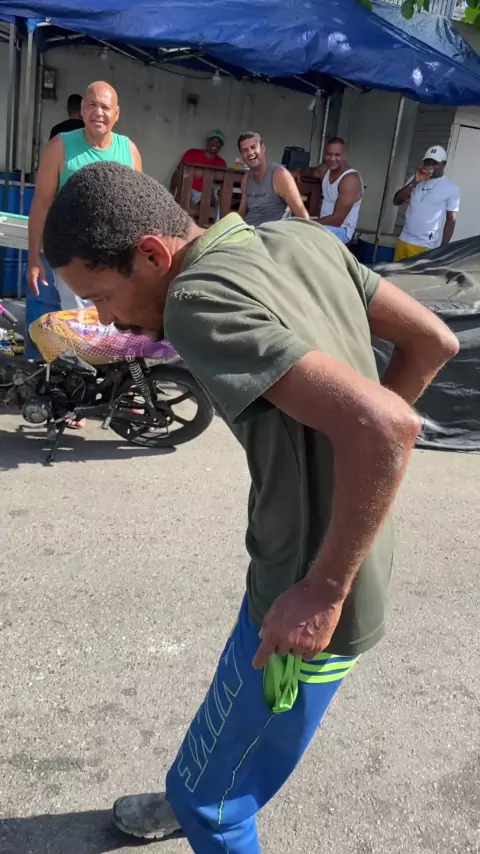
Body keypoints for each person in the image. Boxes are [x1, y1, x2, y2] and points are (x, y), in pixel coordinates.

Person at [43, 162, 459, 853]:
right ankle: (201, 779)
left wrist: (324, 588)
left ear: (152, 255)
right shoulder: (303, 238)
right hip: (320, 560)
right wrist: (346, 460)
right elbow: (433, 342)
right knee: (230, 726)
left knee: (213, 808)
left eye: (102, 296)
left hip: (307, 590)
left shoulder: (194, 302)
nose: (106, 318)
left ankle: (201, 795)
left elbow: (387, 428)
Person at [27, 81, 142, 312]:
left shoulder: (129, 151)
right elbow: (41, 204)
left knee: (111, 327)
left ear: (116, 114)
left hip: (115, 263)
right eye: (91, 105)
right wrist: (33, 258)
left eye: (105, 107)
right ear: (81, 109)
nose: (98, 112)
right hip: (72, 260)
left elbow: (137, 211)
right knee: (77, 325)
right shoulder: (59, 147)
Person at [393, 145, 460, 262]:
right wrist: (414, 182)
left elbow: (451, 219)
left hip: (425, 245)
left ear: (443, 164)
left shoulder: (451, 188)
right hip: (404, 239)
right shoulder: (416, 179)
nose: (430, 166)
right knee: (394, 272)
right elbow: (396, 201)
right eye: (427, 162)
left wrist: (443, 247)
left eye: (434, 163)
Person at [238, 131, 309, 225]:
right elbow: (242, 213)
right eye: (244, 150)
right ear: (241, 155)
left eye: (253, 147)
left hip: (270, 232)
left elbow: (303, 217)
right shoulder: (246, 178)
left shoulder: (280, 175)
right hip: (249, 230)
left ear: (262, 148)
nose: (250, 153)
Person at [305, 137, 363, 244]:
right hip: (325, 225)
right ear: (324, 155)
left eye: (337, 155)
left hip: (341, 230)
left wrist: (308, 223)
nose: (332, 158)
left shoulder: (350, 179)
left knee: (303, 233)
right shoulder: (325, 170)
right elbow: (310, 172)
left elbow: (337, 220)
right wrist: (295, 173)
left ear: (345, 156)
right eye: (329, 154)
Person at [170, 131, 227, 205]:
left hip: (203, 194)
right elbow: (178, 172)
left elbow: (221, 183)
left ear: (221, 146)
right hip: (186, 189)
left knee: (206, 203)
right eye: (212, 140)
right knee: (182, 199)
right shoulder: (192, 153)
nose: (215, 144)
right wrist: (172, 191)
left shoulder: (221, 162)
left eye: (218, 142)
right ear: (207, 141)